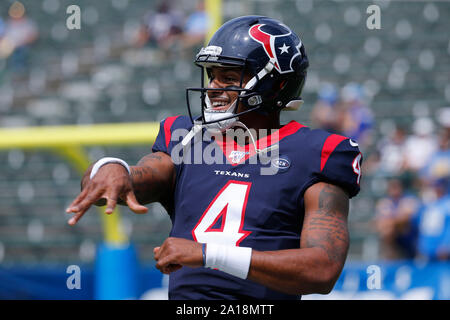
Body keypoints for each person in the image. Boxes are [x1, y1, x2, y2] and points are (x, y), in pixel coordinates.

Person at [66, 16, 363, 299]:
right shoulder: (187, 137)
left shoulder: (316, 153)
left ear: (276, 85)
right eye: (213, 76)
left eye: (229, 77)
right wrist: (110, 168)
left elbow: (322, 268)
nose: (213, 88)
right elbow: (138, 176)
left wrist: (209, 254)